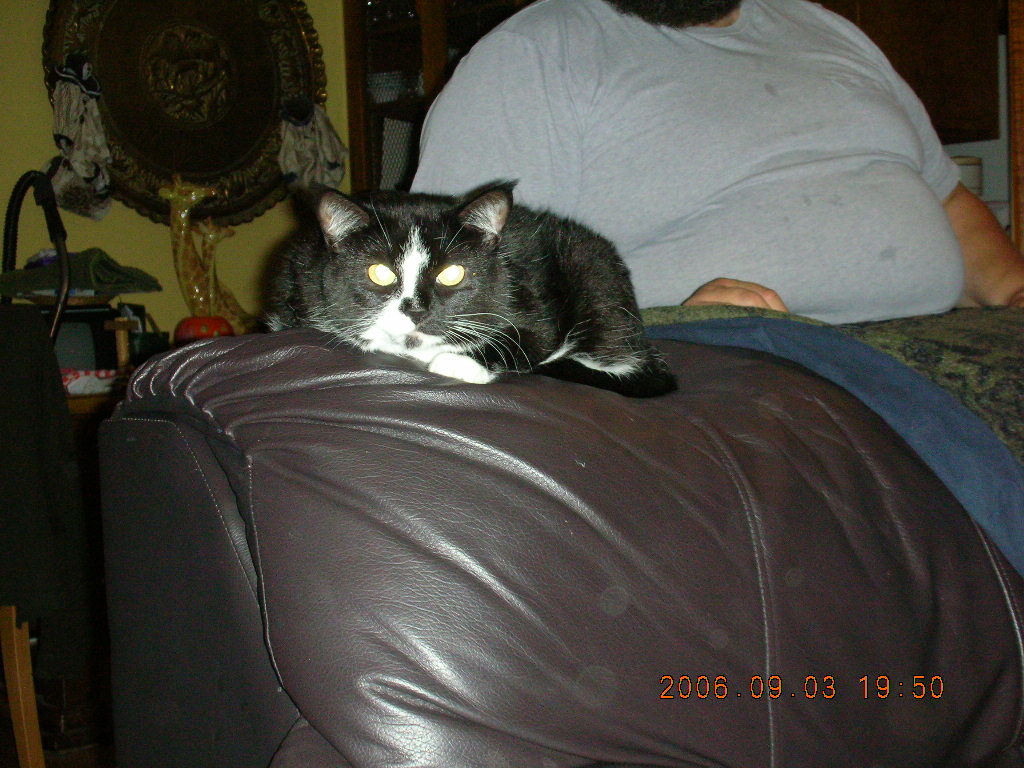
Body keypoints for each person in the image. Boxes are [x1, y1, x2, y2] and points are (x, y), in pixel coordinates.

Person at [411, 0, 1024, 324]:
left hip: (933, 360)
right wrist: (669, 328)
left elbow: (947, 198)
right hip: (737, 393)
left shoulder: (828, 30)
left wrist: (1015, 293)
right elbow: (441, 295)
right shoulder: (533, 53)